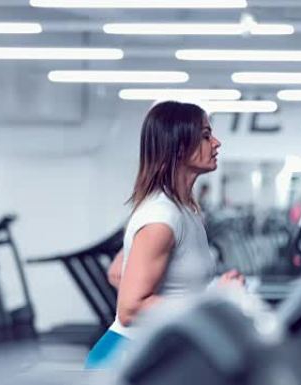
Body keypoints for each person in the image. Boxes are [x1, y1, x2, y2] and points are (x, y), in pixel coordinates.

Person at [85, 101, 244, 370]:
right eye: (205, 135)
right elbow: (130, 309)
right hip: (125, 358)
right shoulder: (161, 218)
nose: (216, 143)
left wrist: (209, 290)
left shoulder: (184, 210)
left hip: (154, 352)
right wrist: (213, 298)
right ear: (179, 146)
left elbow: (117, 271)